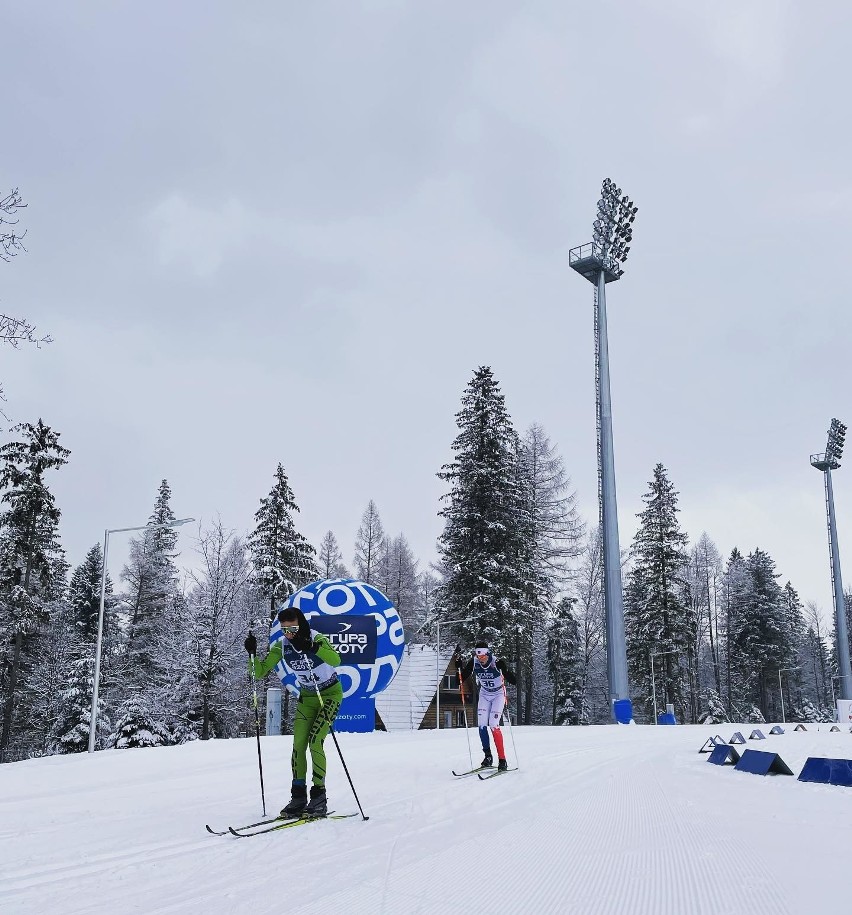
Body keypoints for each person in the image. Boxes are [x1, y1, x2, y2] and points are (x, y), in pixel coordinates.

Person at [244, 606, 343, 818]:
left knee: (315, 741)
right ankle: (298, 797)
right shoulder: (282, 646)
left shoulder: (317, 638)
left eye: (293, 629)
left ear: (302, 625)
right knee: (298, 746)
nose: (289, 633)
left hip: (329, 695)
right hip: (308, 697)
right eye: (284, 630)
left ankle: (319, 796)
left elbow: (336, 660)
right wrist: (251, 654)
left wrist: (312, 647)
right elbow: (259, 673)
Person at [458, 641, 516, 770]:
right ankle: (488, 756)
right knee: (482, 725)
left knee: (493, 724)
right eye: (478, 656)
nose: (481, 658)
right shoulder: (474, 662)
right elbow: (460, 679)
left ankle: (502, 760)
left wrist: (504, 669)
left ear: (488, 653)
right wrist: (459, 668)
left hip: (498, 694)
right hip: (484, 693)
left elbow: (514, 680)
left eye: (483, 655)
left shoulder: (496, 662)